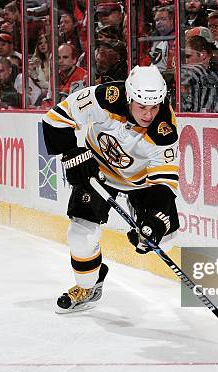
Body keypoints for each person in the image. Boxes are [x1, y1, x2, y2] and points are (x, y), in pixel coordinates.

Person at [42, 65, 180, 313]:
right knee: (80, 235)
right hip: (98, 171)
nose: (148, 115)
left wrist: (154, 224)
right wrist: (72, 154)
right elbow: (55, 119)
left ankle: (148, 226)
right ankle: (89, 285)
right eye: (141, 107)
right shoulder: (105, 98)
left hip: (142, 183)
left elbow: (164, 185)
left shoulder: (164, 131)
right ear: (129, 97)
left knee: (166, 241)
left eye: (154, 107)